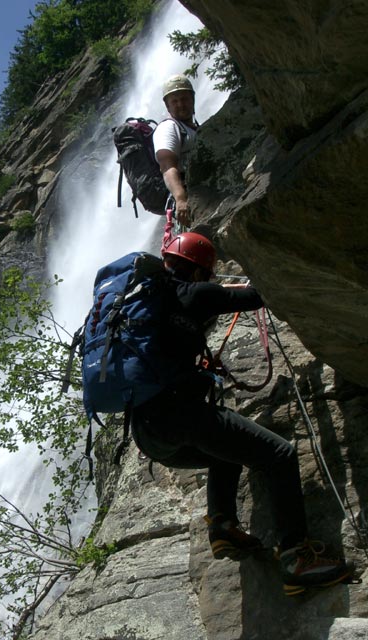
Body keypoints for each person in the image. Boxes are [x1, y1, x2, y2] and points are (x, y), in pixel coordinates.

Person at [131, 231, 353, 595]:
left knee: (226, 452)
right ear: (201, 271)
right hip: (181, 416)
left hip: (148, 434)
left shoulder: (147, 301)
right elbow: (260, 296)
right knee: (279, 454)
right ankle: (296, 557)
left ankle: (222, 524)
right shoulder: (196, 293)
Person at [153, 74, 199, 227]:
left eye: (184, 99)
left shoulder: (194, 129)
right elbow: (167, 166)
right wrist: (180, 199)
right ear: (168, 106)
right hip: (187, 200)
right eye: (175, 101)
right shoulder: (168, 127)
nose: (180, 104)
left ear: (192, 99)